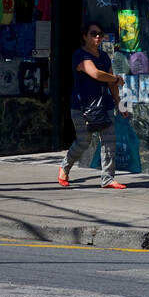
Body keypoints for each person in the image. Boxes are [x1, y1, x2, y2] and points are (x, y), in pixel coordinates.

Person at [58, 23, 126, 190]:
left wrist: (120, 104)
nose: (97, 37)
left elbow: (110, 83)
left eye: (100, 34)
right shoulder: (79, 55)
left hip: (105, 105)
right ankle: (65, 167)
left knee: (109, 141)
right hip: (82, 107)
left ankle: (108, 179)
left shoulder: (104, 56)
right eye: (93, 33)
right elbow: (95, 73)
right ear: (85, 36)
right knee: (83, 141)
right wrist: (116, 78)